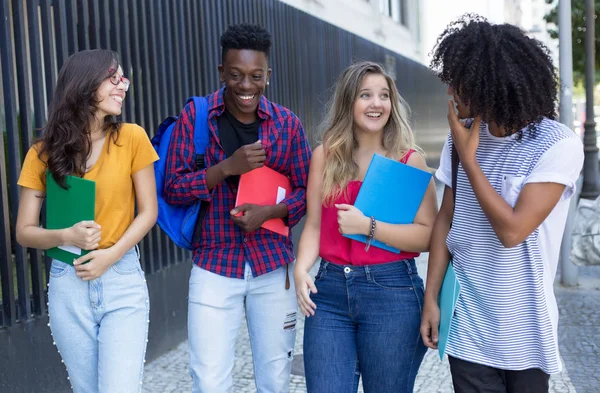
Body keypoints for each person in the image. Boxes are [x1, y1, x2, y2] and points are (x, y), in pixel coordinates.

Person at [420, 15, 585, 393]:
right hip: (469, 327)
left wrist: (471, 158)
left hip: (526, 333)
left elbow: (512, 230)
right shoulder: (460, 140)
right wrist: (431, 298)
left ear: (492, 86)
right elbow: (446, 219)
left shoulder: (555, 144)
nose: (452, 91)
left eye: (461, 82)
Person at [163, 23, 312, 393]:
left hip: (271, 265)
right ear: (221, 73)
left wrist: (269, 214)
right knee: (209, 379)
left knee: (275, 378)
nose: (246, 86)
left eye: (255, 76)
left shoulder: (286, 125)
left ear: (267, 76)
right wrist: (224, 169)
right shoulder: (196, 118)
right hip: (214, 266)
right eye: (236, 75)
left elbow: (308, 190)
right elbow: (174, 189)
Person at [15, 49, 158, 392]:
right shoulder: (42, 152)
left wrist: (111, 255)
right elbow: (24, 232)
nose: (123, 85)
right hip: (68, 282)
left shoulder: (132, 137)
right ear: (84, 84)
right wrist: (66, 234)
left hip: (121, 275)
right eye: (114, 78)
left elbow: (149, 212)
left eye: (123, 78)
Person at [294, 61, 438, 393]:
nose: (377, 103)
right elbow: (314, 226)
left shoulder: (407, 160)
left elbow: (429, 234)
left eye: (384, 95)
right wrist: (302, 269)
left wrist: (368, 226)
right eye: (366, 95)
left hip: (392, 293)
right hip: (329, 295)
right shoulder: (325, 157)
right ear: (348, 102)